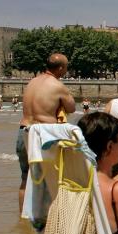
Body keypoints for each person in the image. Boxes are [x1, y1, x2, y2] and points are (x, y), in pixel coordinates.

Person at [17, 53, 76, 210]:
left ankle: (23, 222)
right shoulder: (57, 86)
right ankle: (47, 222)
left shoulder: (32, 82)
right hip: (43, 134)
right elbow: (71, 107)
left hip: (24, 131)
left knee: (25, 178)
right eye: (66, 67)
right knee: (50, 180)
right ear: (61, 68)